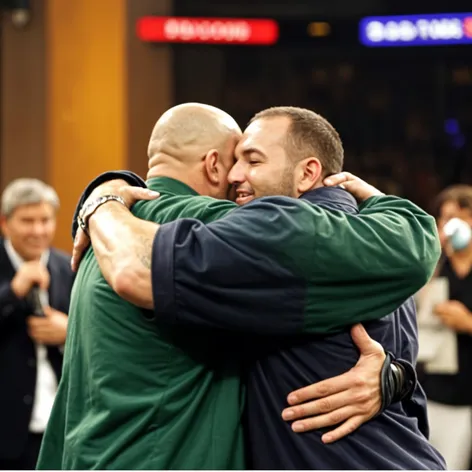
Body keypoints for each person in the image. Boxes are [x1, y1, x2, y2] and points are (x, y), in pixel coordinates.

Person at [41, 105, 440, 469]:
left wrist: (103, 200)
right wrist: (397, 377)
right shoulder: (363, 244)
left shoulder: (118, 238)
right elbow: (414, 404)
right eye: (235, 160)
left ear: (307, 172)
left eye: (251, 160)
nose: (235, 177)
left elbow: (134, 270)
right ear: (213, 164)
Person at [0, 179, 74, 470]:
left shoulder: (69, 267)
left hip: (59, 425)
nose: (38, 230)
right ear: (5, 223)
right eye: (27, 221)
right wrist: (13, 292)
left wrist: (70, 332)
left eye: (45, 220)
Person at [418, 185, 472, 470]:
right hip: (428, 391)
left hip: (466, 400)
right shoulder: (434, 266)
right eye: (445, 217)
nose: (451, 225)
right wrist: (433, 254)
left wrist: (468, 324)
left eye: (460, 216)